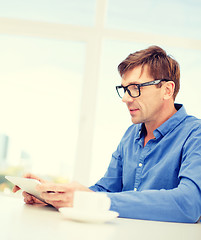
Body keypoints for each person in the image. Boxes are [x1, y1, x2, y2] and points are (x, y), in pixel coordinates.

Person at [13, 45, 201, 223]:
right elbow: (104, 190)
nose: (126, 98)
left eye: (135, 88)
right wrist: (53, 194)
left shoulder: (195, 134)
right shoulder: (131, 135)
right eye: (124, 89)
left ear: (167, 90)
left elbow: (190, 203)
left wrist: (93, 200)